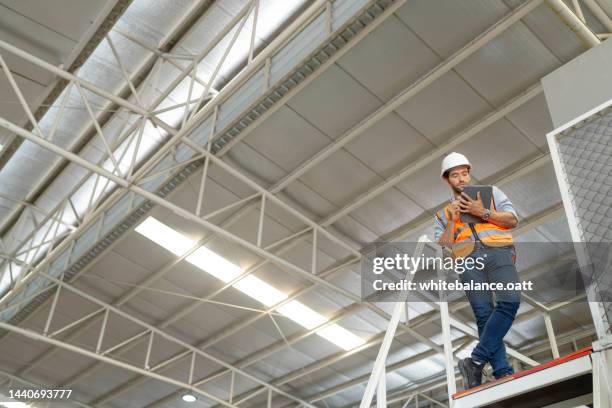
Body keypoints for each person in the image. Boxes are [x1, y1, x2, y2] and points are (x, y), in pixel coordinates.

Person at [433, 152, 521, 389]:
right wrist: (452, 219)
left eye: (464, 173)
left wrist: (483, 211)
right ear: (447, 180)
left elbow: (512, 220)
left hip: (498, 252)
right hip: (468, 262)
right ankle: (502, 371)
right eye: (455, 175)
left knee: (510, 301)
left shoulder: (491, 194)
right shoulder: (443, 213)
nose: (461, 179)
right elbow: (444, 245)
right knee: (484, 315)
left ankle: (475, 360)